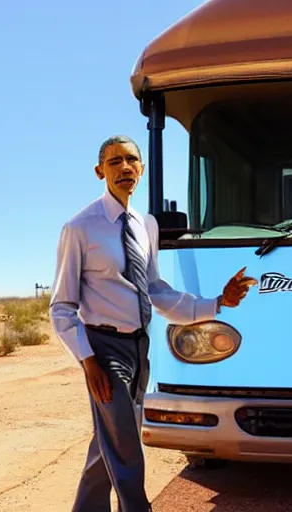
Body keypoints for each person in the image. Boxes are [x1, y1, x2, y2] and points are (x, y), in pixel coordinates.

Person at [49, 135, 257, 512]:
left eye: (131, 160)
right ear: (100, 172)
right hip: (103, 349)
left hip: (139, 346)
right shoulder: (79, 228)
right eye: (114, 162)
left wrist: (217, 303)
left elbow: (156, 290)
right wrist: (87, 359)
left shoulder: (146, 225)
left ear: (141, 169)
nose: (124, 167)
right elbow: (61, 307)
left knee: (108, 442)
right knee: (125, 444)